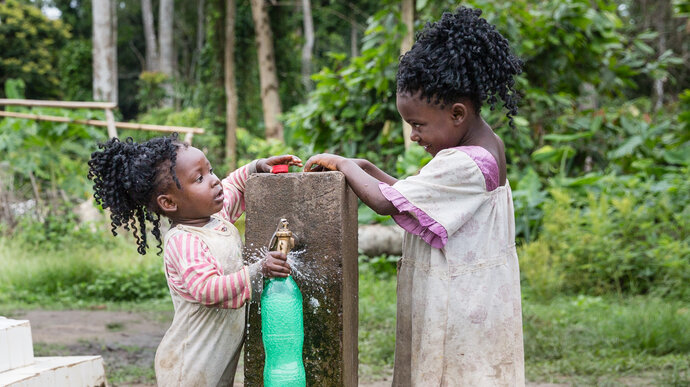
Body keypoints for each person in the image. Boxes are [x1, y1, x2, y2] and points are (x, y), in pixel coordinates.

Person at [304, 6, 525, 386]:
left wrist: (343, 165)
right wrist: (367, 168)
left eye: (417, 125)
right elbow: (414, 198)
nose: (414, 136)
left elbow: (386, 202)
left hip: (461, 304)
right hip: (469, 298)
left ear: (457, 113)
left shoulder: (464, 163)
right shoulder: (482, 147)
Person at [87, 134, 302, 386]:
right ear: (169, 203)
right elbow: (206, 290)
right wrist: (258, 270)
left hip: (217, 358)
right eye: (199, 178)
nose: (214, 181)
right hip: (189, 364)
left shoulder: (217, 219)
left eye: (210, 171)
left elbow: (233, 183)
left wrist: (257, 166)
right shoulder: (184, 241)